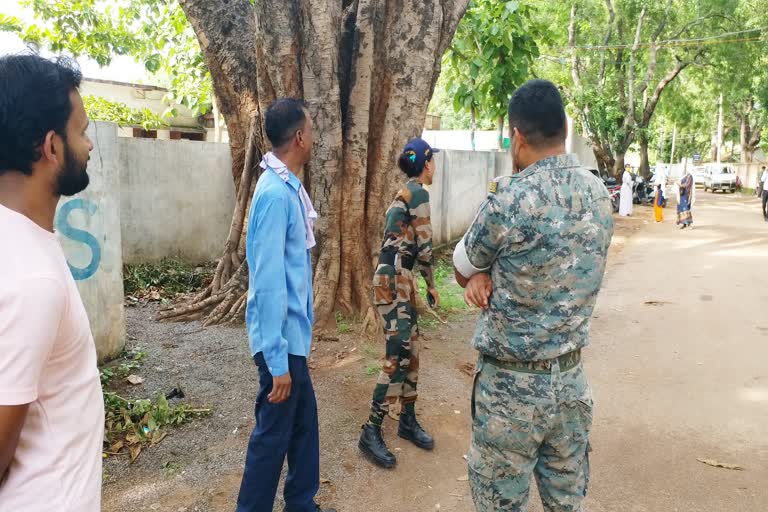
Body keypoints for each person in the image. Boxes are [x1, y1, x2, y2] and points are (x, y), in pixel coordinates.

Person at [452, 79, 614, 511]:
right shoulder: (600, 196)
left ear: (517, 136)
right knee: (566, 504)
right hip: (571, 385)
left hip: (510, 392)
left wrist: (478, 276)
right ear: (563, 127)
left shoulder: (509, 200)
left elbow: (461, 265)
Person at [0, 54, 103, 510]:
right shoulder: (32, 277)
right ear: (51, 147)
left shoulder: (21, 239)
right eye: (81, 131)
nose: (89, 145)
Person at [236, 99, 334, 512]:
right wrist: (277, 361)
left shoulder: (287, 186)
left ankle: (302, 504)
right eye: (310, 130)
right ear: (299, 137)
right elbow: (270, 282)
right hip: (281, 343)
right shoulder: (275, 194)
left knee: (303, 425)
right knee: (272, 437)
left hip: (294, 338)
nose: (313, 137)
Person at [358, 137, 440, 468]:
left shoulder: (405, 193)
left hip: (399, 278)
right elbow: (425, 246)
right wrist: (432, 285)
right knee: (397, 354)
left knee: (413, 351)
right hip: (393, 279)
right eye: (433, 160)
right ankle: (371, 430)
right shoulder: (417, 193)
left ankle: (406, 419)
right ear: (425, 163)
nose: (435, 166)